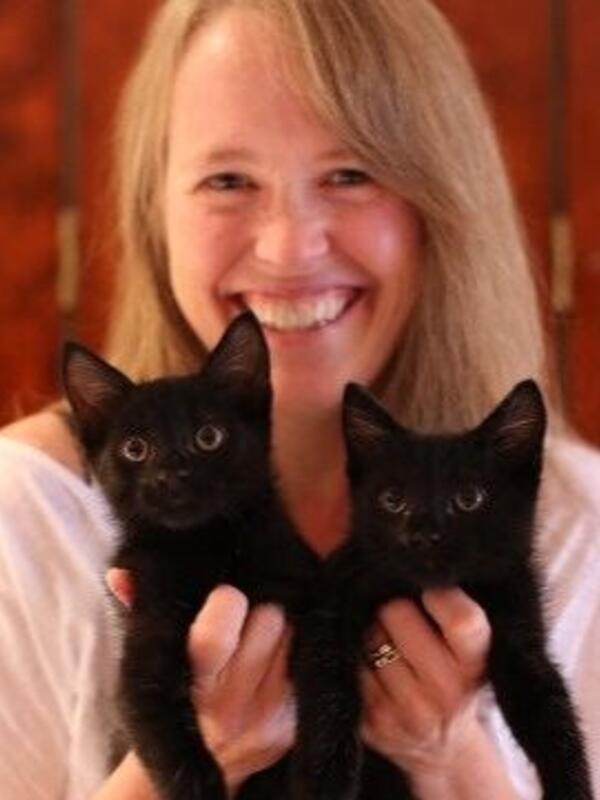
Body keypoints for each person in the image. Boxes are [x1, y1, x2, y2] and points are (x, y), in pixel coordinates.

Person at [1, 0, 599, 797]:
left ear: (444, 205)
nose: (289, 248)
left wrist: (448, 754)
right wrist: (182, 759)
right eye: (228, 179)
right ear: (155, 212)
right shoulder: (22, 520)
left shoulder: (580, 528)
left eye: (350, 174)